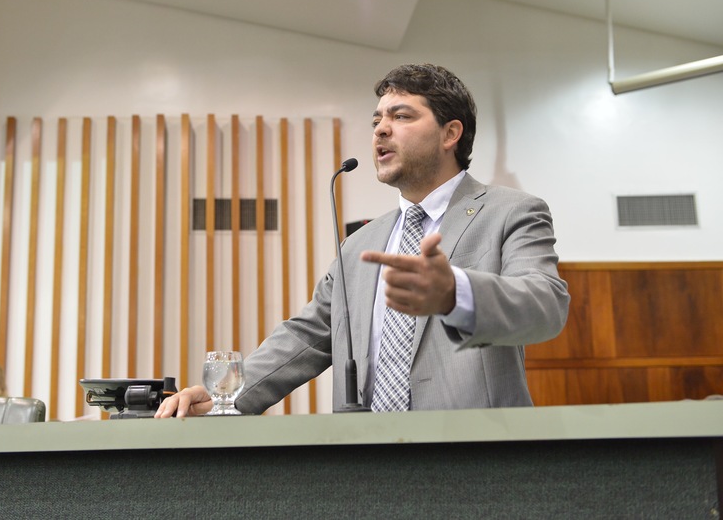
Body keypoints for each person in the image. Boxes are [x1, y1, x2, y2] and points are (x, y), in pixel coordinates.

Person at [155, 63, 570, 417]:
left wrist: (455, 294)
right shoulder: (359, 244)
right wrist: (225, 395)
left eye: (401, 116)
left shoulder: (511, 212)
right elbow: (306, 335)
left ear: (450, 134)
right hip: (366, 462)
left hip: (476, 459)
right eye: (376, 121)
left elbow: (546, 305)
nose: (381, 130)